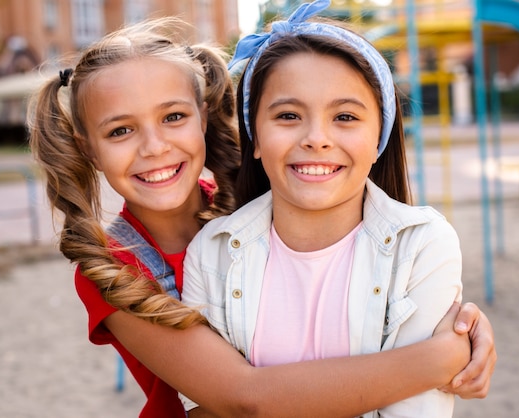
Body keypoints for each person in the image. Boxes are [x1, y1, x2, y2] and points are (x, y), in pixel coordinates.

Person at [27, 16, 495, 418]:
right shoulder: (112, 268)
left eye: (172, 117)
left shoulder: (258, 206)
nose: (154, 147)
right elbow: (244, 399)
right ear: (87, 147)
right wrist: (439, 360)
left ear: (203, 117)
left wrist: (465, 330)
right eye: (121, 130)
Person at [181, 0, 490, 416]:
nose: (317, 138)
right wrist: (435, 362)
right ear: (254, 136)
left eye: (345, 116)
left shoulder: (422, 246)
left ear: (379, 134)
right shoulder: (211, 252)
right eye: (289, 115)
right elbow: (206, 407)